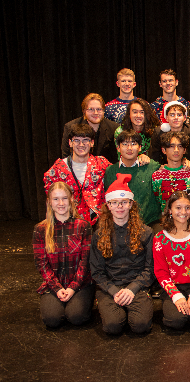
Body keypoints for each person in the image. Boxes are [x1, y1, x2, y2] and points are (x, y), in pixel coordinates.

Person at [89, 174, 154, 334]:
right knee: (113, 326)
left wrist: (132, 289)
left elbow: (150, 269)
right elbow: (97, 271)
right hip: (111, 287)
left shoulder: (146, 232)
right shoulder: (99, 235)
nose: (120, 206)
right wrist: (113, 291)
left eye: (124, 202)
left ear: (131, 204)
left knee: (140, 326)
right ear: (108, 205)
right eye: (115, 202)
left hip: (137, 286)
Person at [33, 182, 94, 328]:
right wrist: (57, 288)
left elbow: (85, 262)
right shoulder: (40, 229)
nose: (60, 203)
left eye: (64, 198)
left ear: (71, 199)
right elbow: (41, 263)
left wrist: (73, 287)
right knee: (52, 320)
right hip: (54, 285)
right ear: (49, 202)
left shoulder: (83, 226)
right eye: (56, 199)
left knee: (76, 317)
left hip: (81, 284)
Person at [153, 191, 190, 330]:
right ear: (170, 210)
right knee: (175, 321)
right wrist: (175, 296)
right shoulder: (160, 239)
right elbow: (161, 272)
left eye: (187, 207)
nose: (183, 212)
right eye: (178, 207)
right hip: (173, 287)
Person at [45, 124, 112, 226]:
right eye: (76, 140)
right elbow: (50, 192)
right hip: (70, 222)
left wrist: (141, 158)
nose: (81, 144)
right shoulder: (59, 168)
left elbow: (119, 173)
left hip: (98, 222)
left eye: (85, 140)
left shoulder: (101, 163)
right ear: (70, 143)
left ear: (92, 143)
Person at [105, 130, 161, 229]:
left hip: (150, 223)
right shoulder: (111, 171)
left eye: (133, 144)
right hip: (120, 225)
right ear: (118, 148)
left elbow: (170, 167)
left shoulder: (151, 166)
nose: (129, 148)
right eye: (125, 144)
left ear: (140, 148)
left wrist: (184, 161)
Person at [151, 131, 190, 214]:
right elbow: (157, 200)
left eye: (180, 146)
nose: (176, 150)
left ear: (184, 150)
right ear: (164, 150)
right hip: (168, 222)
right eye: (171, 146)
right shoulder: (157, 176)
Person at [61, 93, 118, 163]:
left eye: (99, 109)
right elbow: (66, 155)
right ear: (84, 111)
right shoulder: (70, 127)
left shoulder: (114, 128)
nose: (96, 113)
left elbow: (116, 158)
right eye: (91, 109)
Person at [149, 101, 190, 165]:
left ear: (185, 118)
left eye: (179, 115)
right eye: (172, 115)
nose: (176, 118)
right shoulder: (159, 133)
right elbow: (153, 157)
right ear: (166, 118)